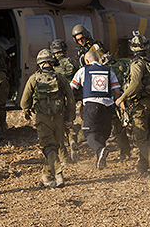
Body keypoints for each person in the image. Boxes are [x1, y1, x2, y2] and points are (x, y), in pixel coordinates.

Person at [115, 32, 150, 179]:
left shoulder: (137, 64)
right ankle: (142, 168)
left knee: (142, 139)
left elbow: (135, 84)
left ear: (133, 48)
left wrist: (122, 98)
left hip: (140, 108)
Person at [21, 49, 76, 188]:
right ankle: (46, 176)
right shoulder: (61, 78)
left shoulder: (34, 78)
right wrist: (70, 118)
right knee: (54, 147)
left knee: (47, 147)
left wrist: (26, 112)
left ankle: (58, 175)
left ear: (40, 63)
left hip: (42, 118)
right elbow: (70, 99)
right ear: (52, 63)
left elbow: (24, 101)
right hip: (59, 118)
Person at [70, 51, 121, 169]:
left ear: (86, 61)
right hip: (107, 106)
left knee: (88, 133)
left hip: (91, 106)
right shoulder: (109, 71)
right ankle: (100, 160)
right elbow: (117, 91)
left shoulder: (83, 70)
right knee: (102, 133)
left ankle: (100, 150)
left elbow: (71, 88)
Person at [50, 39, 81, 162]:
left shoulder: (53, 65)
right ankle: (72, 138)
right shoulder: (72, 63)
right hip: (71, 97)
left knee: (59, 126)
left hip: (58, 99)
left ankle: (64, 159)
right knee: (69, 120)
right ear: (66, 51)